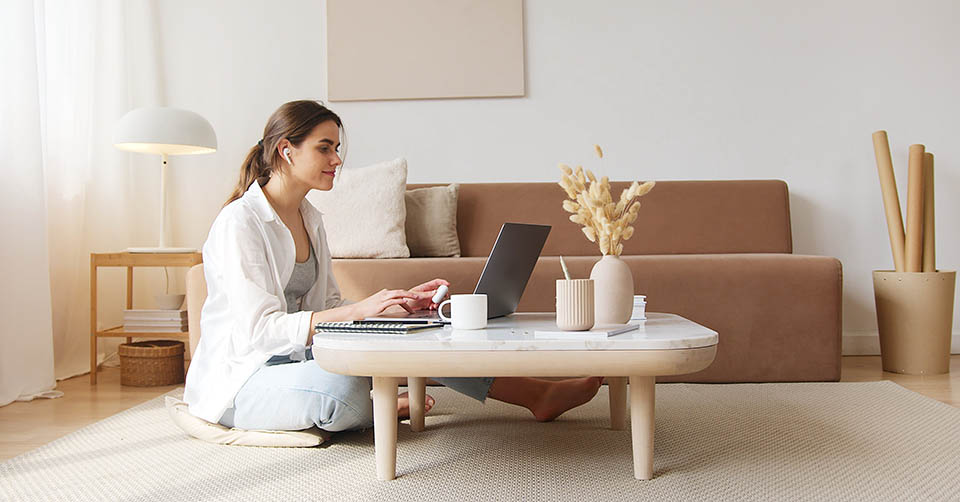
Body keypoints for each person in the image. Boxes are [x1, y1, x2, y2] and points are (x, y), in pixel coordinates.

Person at [183, 100, 603, 433]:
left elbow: (328, 305)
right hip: (245, 377)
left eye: (337, 148)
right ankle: (377, 406)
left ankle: (537, 395)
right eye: (324, 148)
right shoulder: (241, 222)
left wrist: (392, 309)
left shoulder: (311, 218)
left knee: (421, 336)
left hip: (299, 357)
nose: (337, 159)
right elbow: (260, 331)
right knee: (342, 387)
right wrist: (358, 311)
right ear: (285, 150)